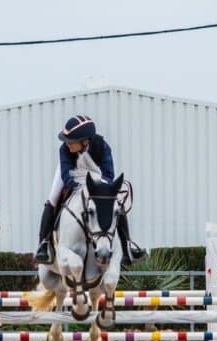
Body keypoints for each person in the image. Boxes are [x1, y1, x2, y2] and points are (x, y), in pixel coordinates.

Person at [34, 114, 146, 266]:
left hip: (96, 178)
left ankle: (127, 246)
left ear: (85, 141)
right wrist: (80, 187)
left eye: (71, 141)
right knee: (53, 197)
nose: (68, 144)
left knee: (117, 203)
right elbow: (66, 175)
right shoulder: (64, 150)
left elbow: (108, 174)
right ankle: (44, 243)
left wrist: (98, 188)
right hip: (72, 176)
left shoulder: (102, 146)